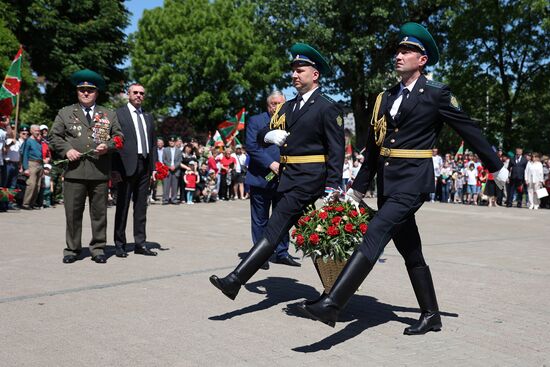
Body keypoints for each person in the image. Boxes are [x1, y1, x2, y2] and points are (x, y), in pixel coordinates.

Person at [299, 23, 508, 335]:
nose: (399, 55)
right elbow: (373, 148)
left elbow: (469, 130)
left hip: (413, 181)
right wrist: (357, 189)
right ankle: (431, 314)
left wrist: (496, 167)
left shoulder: (437, 94)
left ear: (421, 59)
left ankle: (333, 303)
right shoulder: (385, 97)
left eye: (406, 51)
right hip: (388, 184)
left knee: (376, 233)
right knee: (410, 249)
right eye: (397, 50)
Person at [210, 42, 344, 300]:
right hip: (288, 177)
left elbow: (336, 150)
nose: (294, 74)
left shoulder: (327, 106)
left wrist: (332, 187)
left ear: (314, 75)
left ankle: (235, 280)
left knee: (274, 229)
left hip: (310, 179)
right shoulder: (286, 107)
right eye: (293, 70)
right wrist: (268, 134)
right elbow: (260, 135)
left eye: (300, 70)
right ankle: (334, 295)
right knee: (312, 235)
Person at [50, 69, 123, 264]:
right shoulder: (65, 112)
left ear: (96, 92)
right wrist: (66, 150)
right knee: (73, 213)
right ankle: (72, 249)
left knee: (99, 213)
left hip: (99, 172)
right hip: (74, 171)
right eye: (81, 89)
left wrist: (107, 146)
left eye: (90, 90)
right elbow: (54, 136)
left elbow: (119, 137)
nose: (85, 93)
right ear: (77, 92)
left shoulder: (108, 113)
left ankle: (98, 248)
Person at [244, 90, 299, 269]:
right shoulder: (255, 120)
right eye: (273, 103)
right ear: (268, 105)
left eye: (280, 103)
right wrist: (271, 164)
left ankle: (282, 252)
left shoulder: (290, 119)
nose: (276, 107)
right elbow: (252, 147)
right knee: (260, 219)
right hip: (261, 177)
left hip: (284, 178)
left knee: (282, 216)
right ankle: (260, 256)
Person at [112, 83, 158, 258]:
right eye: (135, 92)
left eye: (142, 93)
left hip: (144, 166)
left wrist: (154, 167)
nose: (139, 95)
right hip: (125, 166)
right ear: (128, 94)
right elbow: (114, 143)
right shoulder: (119, 114)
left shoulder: (148, 117)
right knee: (122, 206)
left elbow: (153, 143)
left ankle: (140, 243)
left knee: (141, 207)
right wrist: (114, 169)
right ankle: (120, 244)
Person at [20, 124, 44, 210]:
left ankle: (32, 203)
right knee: (31, 184)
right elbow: (25, 154)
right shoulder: (28, 141)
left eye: (39, 130)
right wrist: (25, 168)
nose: (38, 132)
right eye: (36, 130)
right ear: (31, 131)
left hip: (40, 164)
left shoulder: (39, 141)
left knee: (37, 186)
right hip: (32, 163)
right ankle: (26, 204)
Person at [162, 136, 183, 205]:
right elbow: (164, 160)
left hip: (176, 170)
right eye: (170, 141)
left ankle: (174, 199)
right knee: (166, 186)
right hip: (167, 170)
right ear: (169, 142)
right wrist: (169, 166)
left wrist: (175, 166)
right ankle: (165, 200)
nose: (172, 142)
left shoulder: (179, 151)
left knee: (175, 186)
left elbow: (180, 160)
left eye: (173, 141)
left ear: (175, 142)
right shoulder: (165, 150)